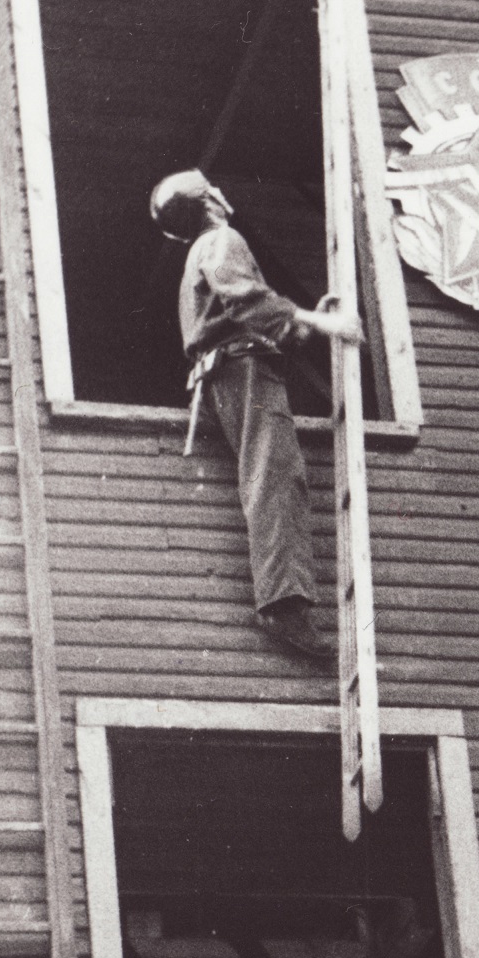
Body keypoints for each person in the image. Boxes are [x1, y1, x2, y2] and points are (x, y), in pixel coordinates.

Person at [150, 169, 362, 669]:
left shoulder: (197, 252)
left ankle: (283, 599)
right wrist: (324, 321)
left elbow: (247, 316)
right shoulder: (222, 239)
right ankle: (284, 605)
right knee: (276, 478)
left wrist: (304, 323)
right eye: (216, 188)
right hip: (243, 371)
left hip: (232, 369)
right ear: (211, 202)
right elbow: (243, 298)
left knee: (269, 475)